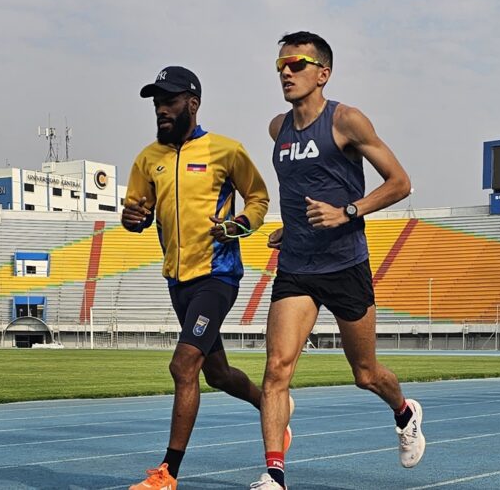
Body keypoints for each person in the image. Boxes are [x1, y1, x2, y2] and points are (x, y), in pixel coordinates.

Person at [250, 32, 424, 489]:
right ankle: (274, 473)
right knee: (276, 368)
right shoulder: (277, 129)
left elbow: (400, 183)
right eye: (280, 65)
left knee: (365, 374)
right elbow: (300, 189)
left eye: (297, 64)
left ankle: (404, 412)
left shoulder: (346, 120)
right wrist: (293, 228)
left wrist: (347, 211)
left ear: (323, 73)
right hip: (297, 267)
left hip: (345, 265)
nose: (286, 72)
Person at [123, 66, 287, 490]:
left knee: (183, 365)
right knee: (217, 374)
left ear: (192, 104)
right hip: (177, 281)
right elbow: (136, 213)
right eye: (157, 103)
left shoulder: (225, 150)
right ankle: (272, 409)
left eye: (170, 101)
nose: (161, 109)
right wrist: (131, 218)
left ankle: (167, 474)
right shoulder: (147, 159)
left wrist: (239, 225)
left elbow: (258, 198)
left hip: (217, 276)